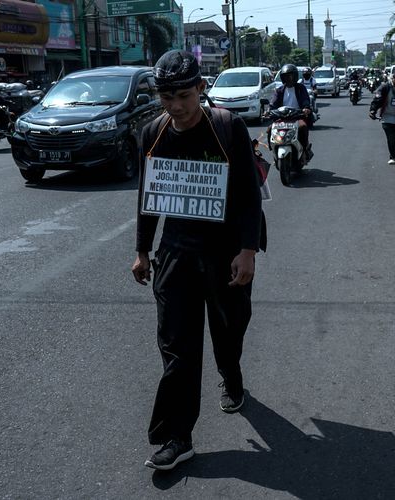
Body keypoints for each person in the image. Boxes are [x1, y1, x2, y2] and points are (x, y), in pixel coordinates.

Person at [132, 49, 263, 471]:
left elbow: (247, 194)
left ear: (200, 90)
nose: (176, 106)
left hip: (226, 253)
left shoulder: (228, 127)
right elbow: (147, 198)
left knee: (229, 329)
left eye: (184, 95)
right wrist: (141, 250)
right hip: (176, 254)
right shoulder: (152, 132)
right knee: (176, 348)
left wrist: (247, 251)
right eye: (166, 97)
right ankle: (177, 436)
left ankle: (232, 374)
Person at [267, 63, 312, 153]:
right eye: (286, 76)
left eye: (290, 76)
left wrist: (306, 108)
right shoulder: (279, 90)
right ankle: (273, 149)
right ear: (283, 78)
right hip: (282, 117)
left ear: (294, 76)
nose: (288, 78)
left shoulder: (300, 88)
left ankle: (305, 149)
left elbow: (305, 100)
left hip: (297, 117)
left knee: (303, 127)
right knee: (269, 129)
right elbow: (273, 103)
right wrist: (268, 111)